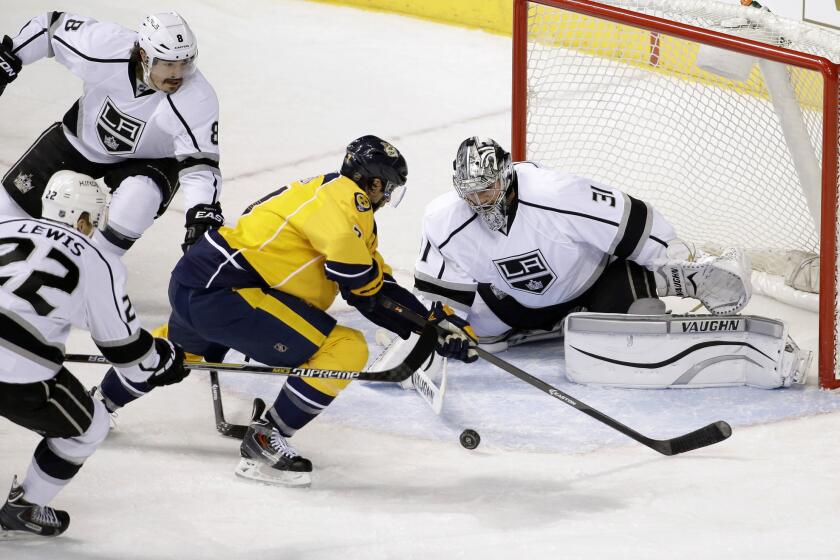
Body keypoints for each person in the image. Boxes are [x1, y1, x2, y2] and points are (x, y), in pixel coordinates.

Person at [159, 135, 475, 487]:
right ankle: (266, 439)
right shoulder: (349, 205)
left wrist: (431, 320)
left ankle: (99, 406)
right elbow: (363, 291)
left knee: (169, 353)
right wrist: (427, 328)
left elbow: (375, 277)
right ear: (372, 182)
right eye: (387, 189)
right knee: (346, 348)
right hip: (226, 297)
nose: (386, 198)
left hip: (195, 282)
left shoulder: (322, 191)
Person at [413, 136, 752, 350]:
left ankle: (680, 278)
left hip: (588, 284)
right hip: (512, 303)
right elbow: (442, 286)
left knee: (640, 319)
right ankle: (567, 322)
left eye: (486, 188)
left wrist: (675, 256)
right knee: (481, 336)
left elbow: (631, 223)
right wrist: (446, 324)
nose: (478, 200)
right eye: (469, 192)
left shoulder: (555, 192)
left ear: (506, 177)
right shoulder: (444, 219)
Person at [0, 171, 188, 537]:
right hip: (17, 374)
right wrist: (161, 360)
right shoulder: (98, 261)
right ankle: (25, 506)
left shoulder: (7, 226)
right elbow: (123, 347)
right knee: (90, 427)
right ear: (83, 219)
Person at [0, 11, 224, 255]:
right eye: (168, 63)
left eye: (185, 63)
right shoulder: (104, 46)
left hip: (152, 159)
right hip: (84, 140)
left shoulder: (198, 98)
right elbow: (50, 28)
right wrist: (11, 55)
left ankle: (97, 266)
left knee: (140, 198)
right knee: (6, 214)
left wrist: (201, 214)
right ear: (143, 56)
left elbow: (200, 165)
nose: (177, 74)